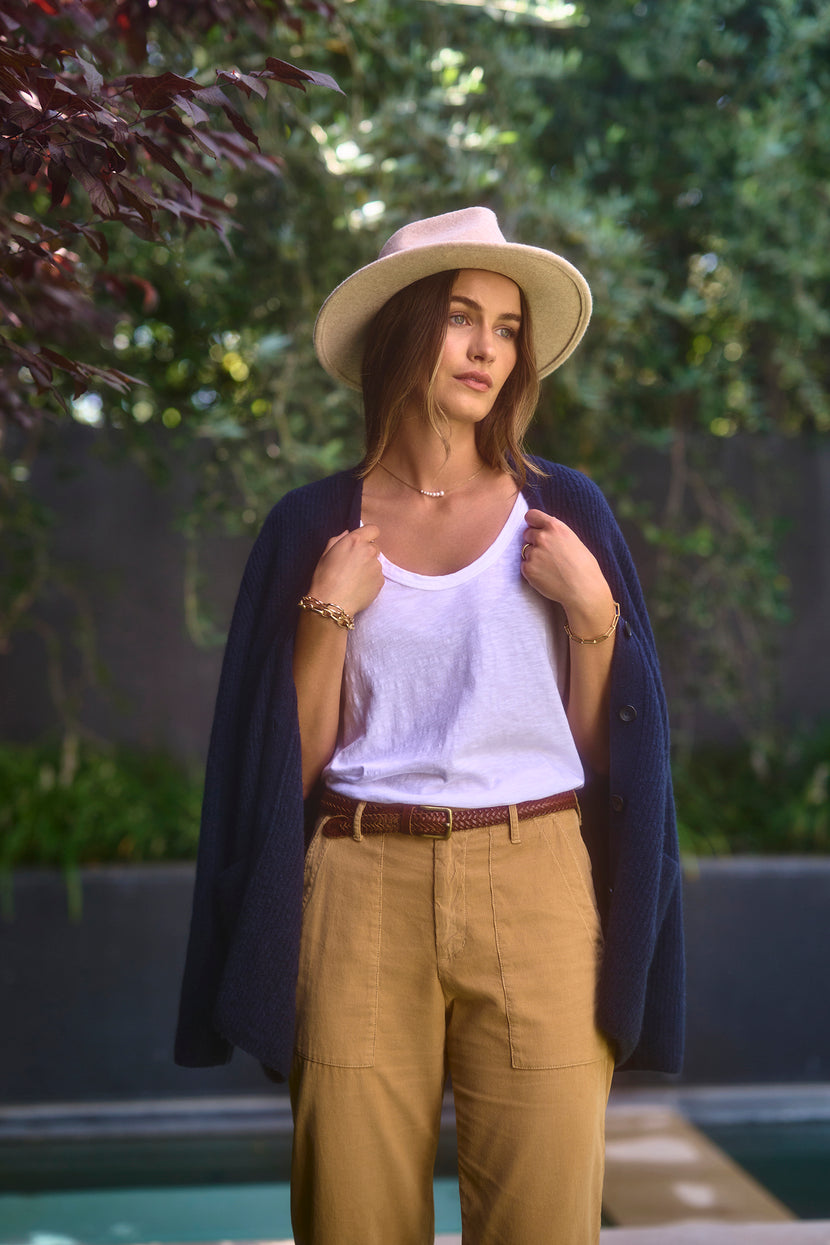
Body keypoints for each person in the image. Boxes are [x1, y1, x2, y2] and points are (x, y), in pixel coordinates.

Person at [175, 207, 685, 1245]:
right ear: (403, 333)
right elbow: (284, 765)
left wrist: (593, 619)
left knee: (544, 1225)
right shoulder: (312, 527)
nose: (487, 348)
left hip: (535, 883)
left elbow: (608, 754)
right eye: (460, 316)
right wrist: (326, 612)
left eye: (504, 327)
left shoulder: (566, 513)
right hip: (360, 886)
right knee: (351, 1224)